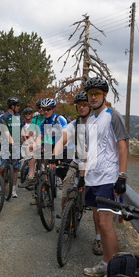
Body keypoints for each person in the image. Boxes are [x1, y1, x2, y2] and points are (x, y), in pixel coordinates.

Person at [80, 77, 129, 277]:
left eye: (97, 94)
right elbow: (89, 151)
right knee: (99, 222)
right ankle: (106, 264)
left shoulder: (113, 116)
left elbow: (122, 147)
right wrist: (82, 175)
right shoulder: (90, 120)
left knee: (107, 224)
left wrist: (122, 176)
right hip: (92, 177)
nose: (93, 97)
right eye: (90, 94)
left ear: (104, 95)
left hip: (108, 178)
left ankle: (114, 274)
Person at [52, 92, 103, 255]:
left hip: (94, 165)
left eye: (84, 104)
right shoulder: (74, 124)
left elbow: (91, 152)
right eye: (79, 105)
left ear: (90, 105)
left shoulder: (96, 123)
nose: (81, 107)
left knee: (95, 206)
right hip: (77, 162)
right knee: (66, 191)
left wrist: (83, 176)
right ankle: (66, 221)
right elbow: (62, 139)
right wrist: (54, 155)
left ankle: (98, 238)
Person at [0, 97, 23, 198]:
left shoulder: (18, 117)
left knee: (16, 168)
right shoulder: (3, 116)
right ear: (12, 106)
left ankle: (13, 189)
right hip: (5, 145)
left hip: (16, 146)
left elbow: (21, 130)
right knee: (3, 167)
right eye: (17, 106)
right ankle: (0, 186)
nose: (18, 108)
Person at [19, 99, 45, 189]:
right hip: (37, 142)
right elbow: (30, 134)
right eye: (39, 108)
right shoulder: (35, 119)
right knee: (30, 149)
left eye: (42, 107)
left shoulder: (48, 117)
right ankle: (31, 176)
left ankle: (46, 179)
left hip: (48, 142)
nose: (41, 109)